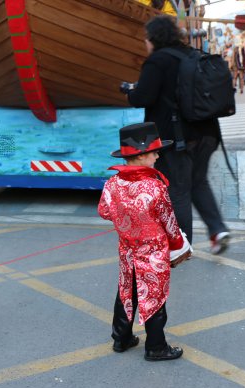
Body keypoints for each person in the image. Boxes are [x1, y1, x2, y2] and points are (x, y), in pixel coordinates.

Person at [124, 15, 230, 254]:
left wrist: (130, 92)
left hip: (179, 137)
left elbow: (144, 97)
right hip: (208, 132)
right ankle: (217, 229)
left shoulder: (158, 61)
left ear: (153, 38)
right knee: (198, 182)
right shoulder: (192, 54)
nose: (145, 43)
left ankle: (181, 247)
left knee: (178, 190)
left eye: (146, 38)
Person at [98, 122, 190, 361]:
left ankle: (121, 338)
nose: (158, 155)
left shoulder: (112, 183)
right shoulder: (154, 186)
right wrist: (179, 246)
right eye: (155, 152)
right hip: (153, 250)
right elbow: (169, 223)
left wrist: (126, 218)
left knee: (127, 291)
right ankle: (156, 347)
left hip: (127, 248)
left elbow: (104, 211)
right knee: (154, 296)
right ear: (140, 156)